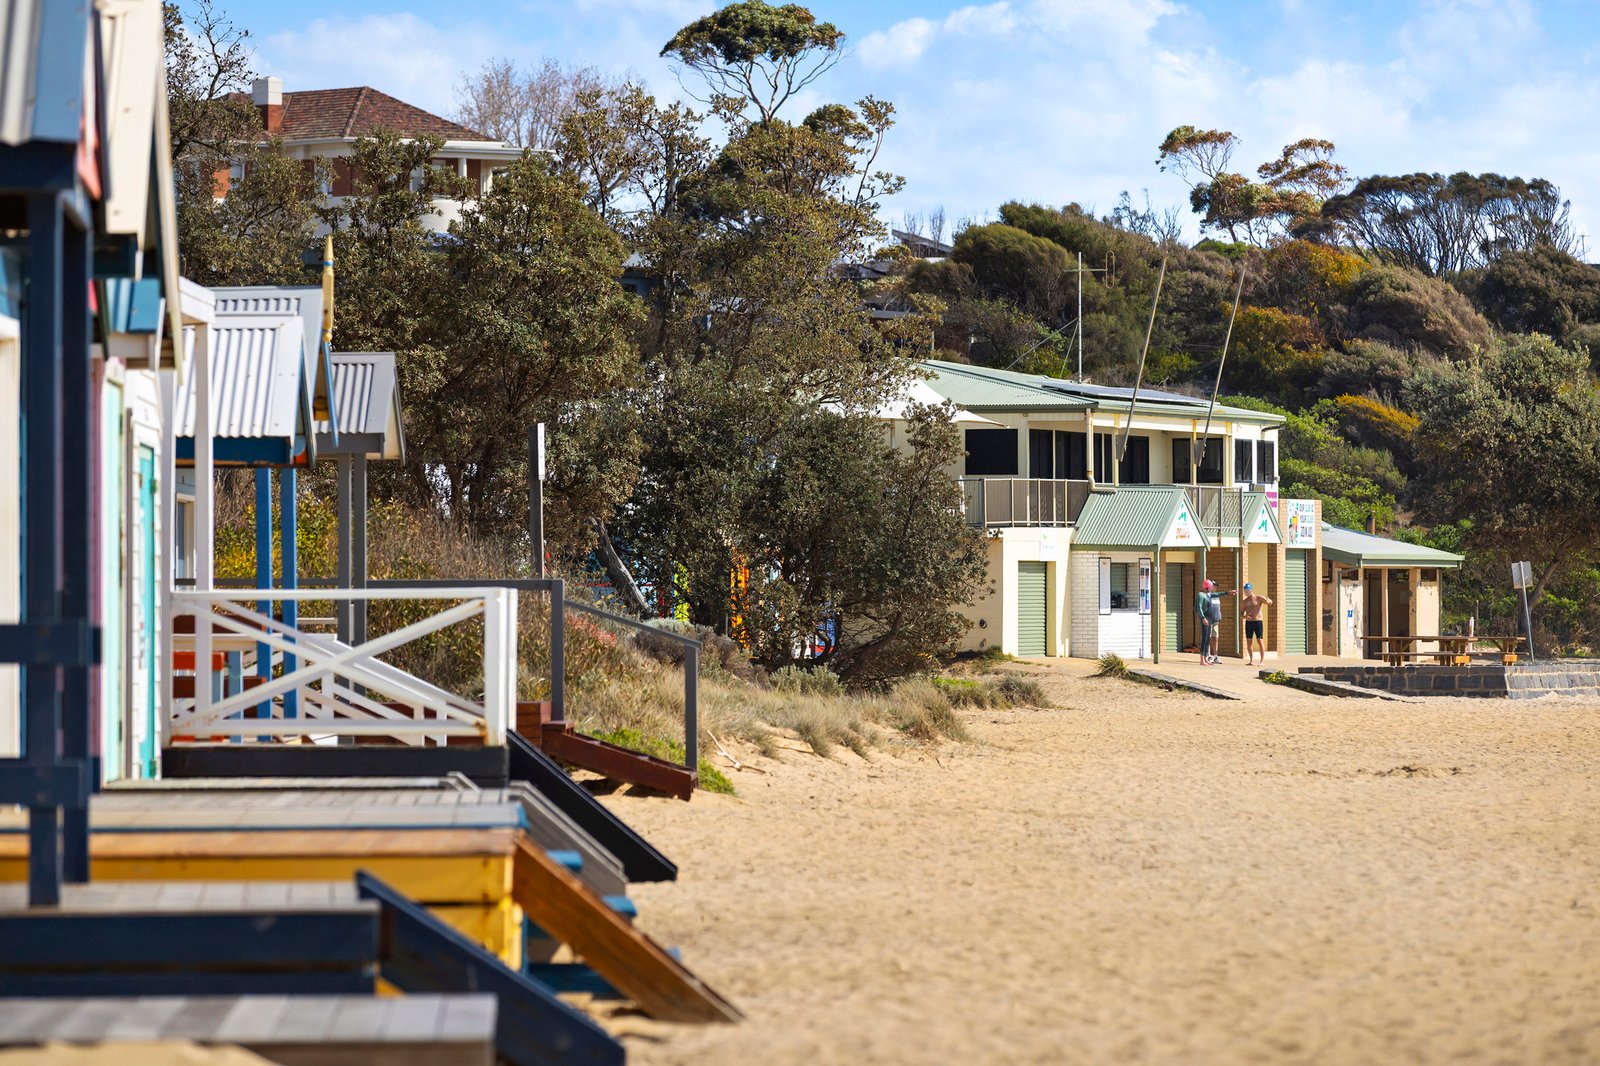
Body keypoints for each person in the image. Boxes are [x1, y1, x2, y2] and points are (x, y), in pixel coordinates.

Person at [1194, 579, 1234, 664]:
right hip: (1205, 619)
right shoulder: (1201, 595)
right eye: (1211, 587)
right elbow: (1199, 608)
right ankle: (1202, 660)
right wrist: (1203, 618)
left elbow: (1218, 594)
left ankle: (1205, 659)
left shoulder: (1208, 594)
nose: (1212, 588)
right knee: (1204, 639)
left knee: (1208, 640)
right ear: (1207, 587)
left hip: (1210, 620)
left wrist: (1228, 592)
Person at [1240, 582, 1273, 666]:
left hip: (1258, 621)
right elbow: (1241, 613)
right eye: (1245, 591)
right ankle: (1251, 660)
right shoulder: (1244, 602)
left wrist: (1269, 600)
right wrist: (1245, 617)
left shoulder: (1258, 598)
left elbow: (1269, 602)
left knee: (1259, 640)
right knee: (1249, 641)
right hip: (1249, 623)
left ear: (1251, 590)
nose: (1246, 592)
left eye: (1248, 590)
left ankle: (1262, 661)